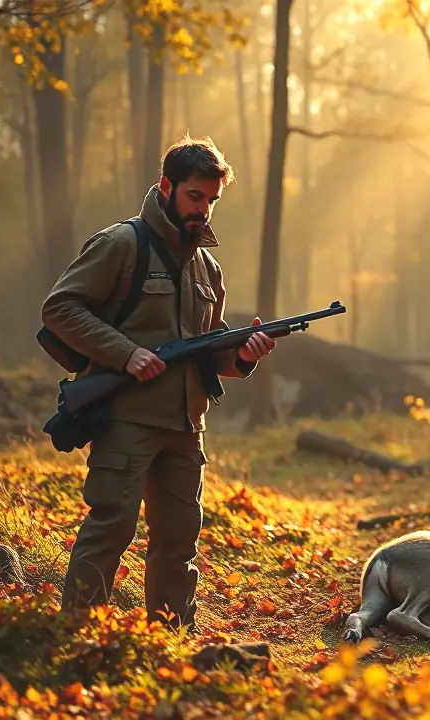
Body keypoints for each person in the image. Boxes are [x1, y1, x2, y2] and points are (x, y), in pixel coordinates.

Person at [41, 135, 275, 630]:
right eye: (195, 196)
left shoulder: (207, 267)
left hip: (187, 426)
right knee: (111, 525)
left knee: (180, 538)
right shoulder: (121, 244)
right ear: (166, 186)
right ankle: (76, 634)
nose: (204, 210)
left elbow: (208, 352)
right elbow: (60, 309)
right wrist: (126, 354)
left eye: (212, 200)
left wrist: (243, 355)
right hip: (126, 419)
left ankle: (169, 640)